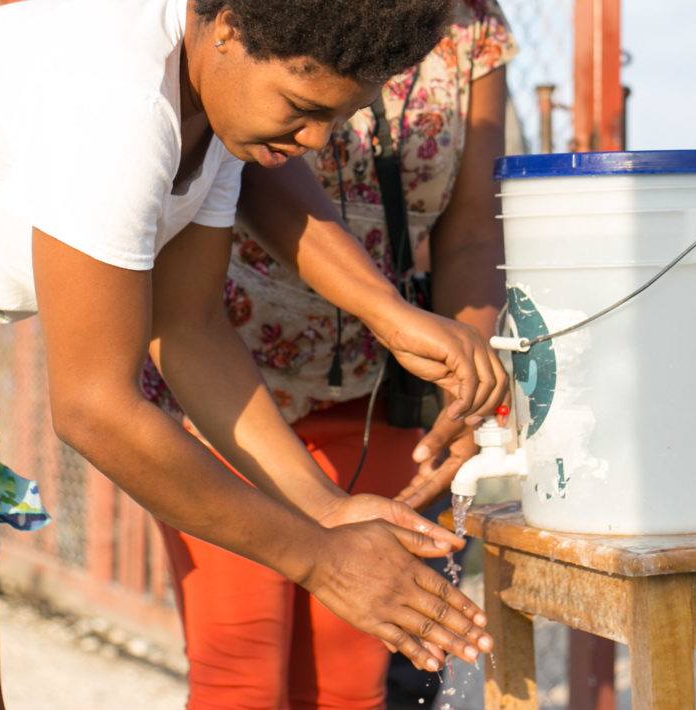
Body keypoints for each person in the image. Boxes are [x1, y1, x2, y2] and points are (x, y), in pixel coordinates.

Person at [0, 1, 508, 707]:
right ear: (230, 28)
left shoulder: (209, 108)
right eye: (302, 108)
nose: (314, 140)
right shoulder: (120, 101)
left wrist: (325, 510)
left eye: (337, 117)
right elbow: (94, 409)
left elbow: (187, 331)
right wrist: (320, 560)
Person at [140, 2, 515, 706]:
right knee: (242, 674)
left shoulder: (475, 27)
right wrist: (388, 311)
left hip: (378, 395)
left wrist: (468, 373)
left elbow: (471, 226)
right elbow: (254, 167)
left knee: (350, 683)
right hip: (230, 386)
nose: (316, 134)